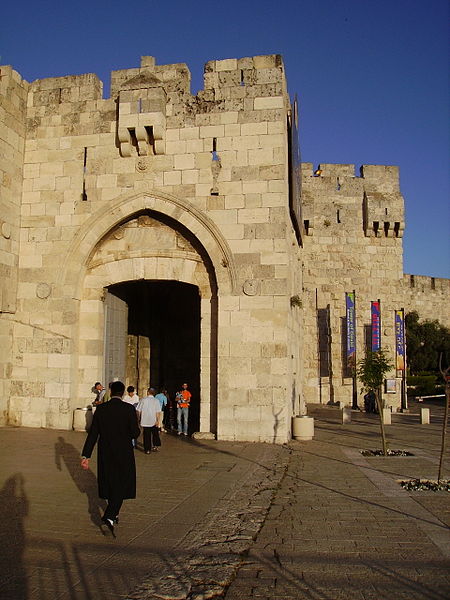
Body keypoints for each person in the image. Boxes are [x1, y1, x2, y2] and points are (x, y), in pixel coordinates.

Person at [80, 380, 140, 536]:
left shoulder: (101, 409)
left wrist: (86, 455)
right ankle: (110, 515)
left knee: (111, 481)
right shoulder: (128, 409)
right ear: (123, 393)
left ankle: (113, 514)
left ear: (111, 392)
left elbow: (93, 434)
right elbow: (135, 433)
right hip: (124, 452)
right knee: (122, 482)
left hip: (105, 452)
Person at [136, 388, 162, 453]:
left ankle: (147, 449)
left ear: (148, 392)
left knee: (146, 435)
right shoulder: (156, 401)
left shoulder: (143, 400)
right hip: (153, 420)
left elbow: (138, 410)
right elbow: (158, 412)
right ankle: (156, 445)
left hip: (145, 420)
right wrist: (158, 421)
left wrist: (138, 418)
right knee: (155, 434)